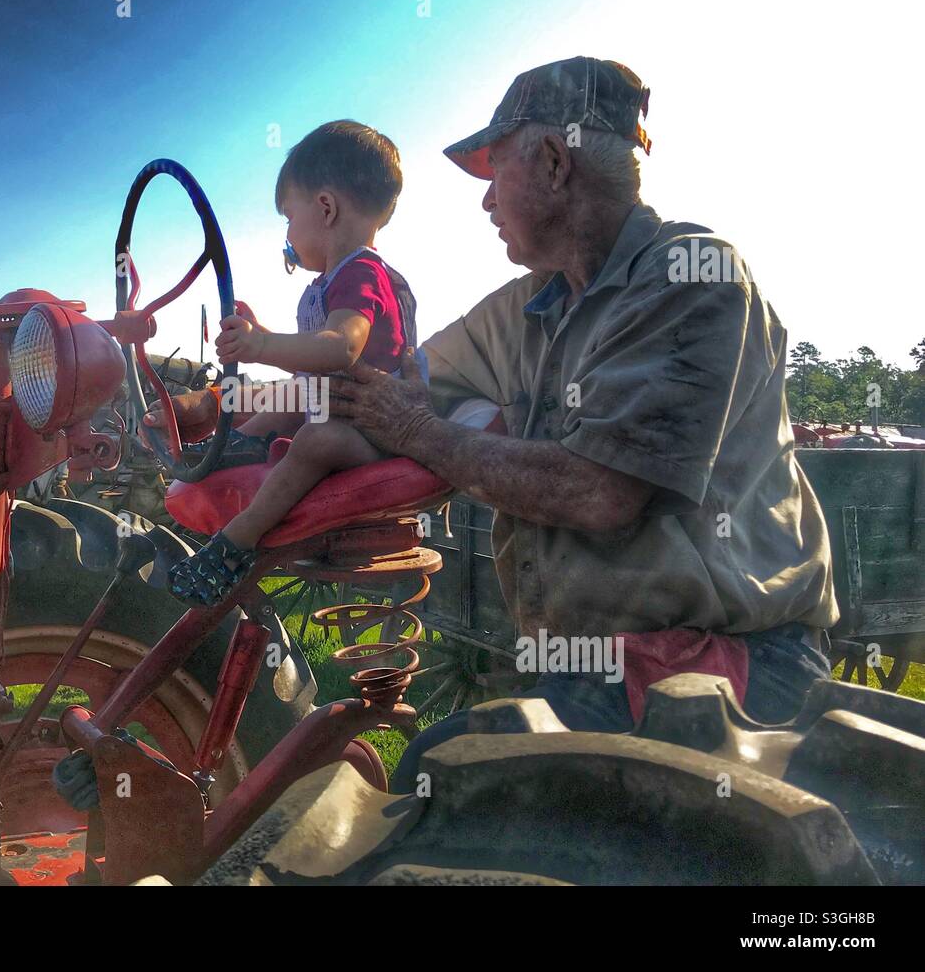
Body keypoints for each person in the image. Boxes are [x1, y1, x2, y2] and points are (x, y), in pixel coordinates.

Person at [154, 57, 837, 791]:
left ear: (552, 161)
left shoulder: (689, 276)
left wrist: (421, 434)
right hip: (593, 661)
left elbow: (599, 492)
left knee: (442, 788)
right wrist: (228, 404)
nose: (483, 201)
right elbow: (386, 389)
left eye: (494, 169)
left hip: (725, 667)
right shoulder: (524, 308)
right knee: (437, 773)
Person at [163, 119, 422, 606]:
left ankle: (235, 544)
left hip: (375, 433)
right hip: (337, 406)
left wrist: (261, 346)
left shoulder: (361, 273)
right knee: (291, 399)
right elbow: (311, 369)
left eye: (288, 216)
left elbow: (340, 347)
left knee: (315, 437)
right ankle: (237, 447)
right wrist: (264, 340)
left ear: (324, 208)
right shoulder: (328, 283)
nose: (287, 231)